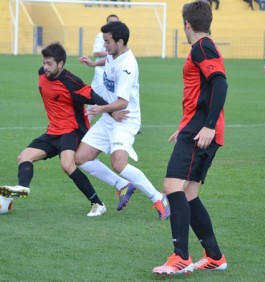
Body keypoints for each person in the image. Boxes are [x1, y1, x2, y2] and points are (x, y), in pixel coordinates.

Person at [0, 42, 133, 217]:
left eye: (49, 64)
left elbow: (94, 96)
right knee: (24, 157)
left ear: (61, 63)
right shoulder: (41, 74)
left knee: (67, 164)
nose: (45, 67)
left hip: (72, 130)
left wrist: (113, 111)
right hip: (53, 131)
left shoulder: (72, 83)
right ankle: (23, 188)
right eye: (44, 63)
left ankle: (98, 204)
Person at [152, 1, 228, 275]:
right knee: (189, 193)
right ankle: (215, 256)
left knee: (172, 185)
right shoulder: (207, 47)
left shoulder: (201, 47)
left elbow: (220, 83)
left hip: (202, 130)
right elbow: (206, 89)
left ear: (187, 24)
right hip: (198, 127)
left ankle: (181, 256)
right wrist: (186, 125)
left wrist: (206, 125)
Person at [76, 21, 170, 220]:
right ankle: (122, 185)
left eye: (107, 42)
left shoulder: (127, 66)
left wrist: (101, 108)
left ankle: (158, 198)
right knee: (81, 158)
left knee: (119, 164)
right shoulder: (113, 54)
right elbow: (108, 61)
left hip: (125, 120)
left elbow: (122, 102)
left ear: (120, 41)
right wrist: (94, 64)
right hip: (110, 117)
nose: (105, 46)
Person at [89, 14, 119, 98]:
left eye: (116, 23)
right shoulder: (100, 36)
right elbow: (96, 53)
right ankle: (89, 111)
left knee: (112, 96)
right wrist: (113, 51)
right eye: (111, 22)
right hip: (101, 70)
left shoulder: (120, 37)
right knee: (96, 95)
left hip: (115, 69)